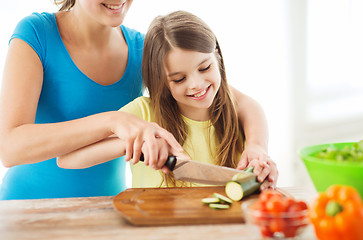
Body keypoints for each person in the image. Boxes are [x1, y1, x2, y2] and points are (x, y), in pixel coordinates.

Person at [58, 10, 278, 190]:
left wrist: (258, 149)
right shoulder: (144, 114)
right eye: (179, 79)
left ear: (217, 56)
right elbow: (67, 158)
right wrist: (135, 144)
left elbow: (251, 105)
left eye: (205, 67)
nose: (196, 84)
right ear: (161, 81)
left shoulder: (234, 110)